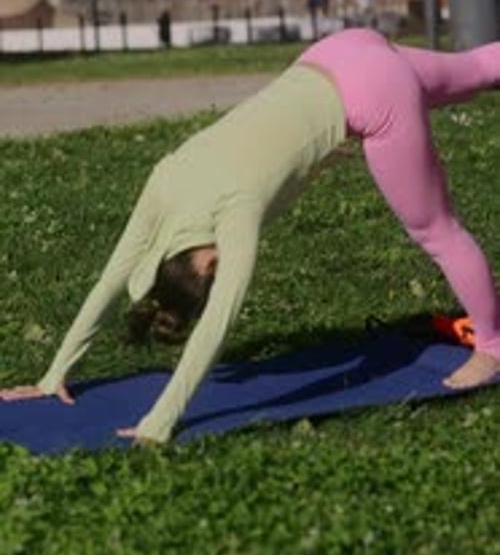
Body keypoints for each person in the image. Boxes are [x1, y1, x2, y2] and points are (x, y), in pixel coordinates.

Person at [2, 28, 500, 445]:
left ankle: (492, 347)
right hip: (335, 53)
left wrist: (162, 419)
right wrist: (54, 375)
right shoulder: (167, 176)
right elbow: (112, 279)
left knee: (436, 231)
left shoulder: (234, 214)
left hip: (374, 95)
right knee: (474, 70)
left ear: (207, 268)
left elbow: (218, 323)